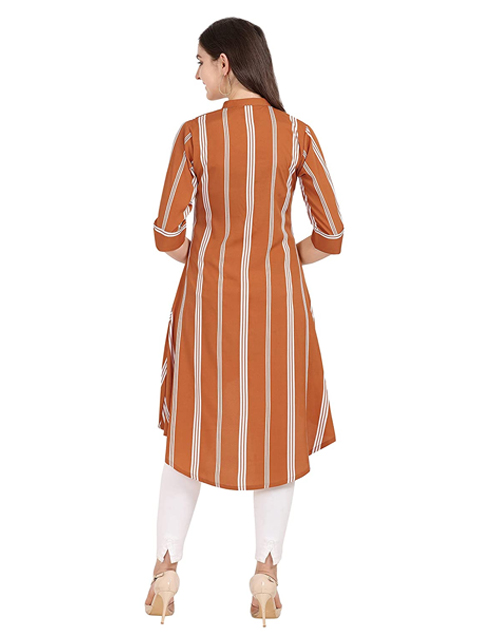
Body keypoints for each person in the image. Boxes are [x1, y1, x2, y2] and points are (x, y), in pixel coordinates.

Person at [145, 17, 345, 625]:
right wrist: (283, 260)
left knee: (190, 433)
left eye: (201, 62)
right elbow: (332, 235)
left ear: (226, 63)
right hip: (278, 310)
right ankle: (265, 576)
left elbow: (166, 235)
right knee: (275, 437)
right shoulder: (297, 135)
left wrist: (206, 257)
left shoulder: (195, 135)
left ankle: (165, 571)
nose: (197, 74)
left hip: (206, 306)